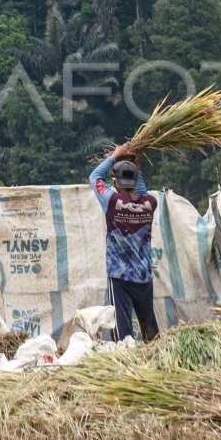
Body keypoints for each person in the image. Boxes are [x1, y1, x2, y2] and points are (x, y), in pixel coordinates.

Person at [89, 143, 160, 342]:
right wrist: (136, 168)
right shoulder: (150, 204)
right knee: (149, 327)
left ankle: (125, 362)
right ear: (135, 180)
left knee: (123, 332)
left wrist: (115, 155)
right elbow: (142, 191)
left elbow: (94, 177)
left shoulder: (112, 201)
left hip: (120, 277)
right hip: (143, 276)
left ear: (117, 184)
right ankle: (158, 356)